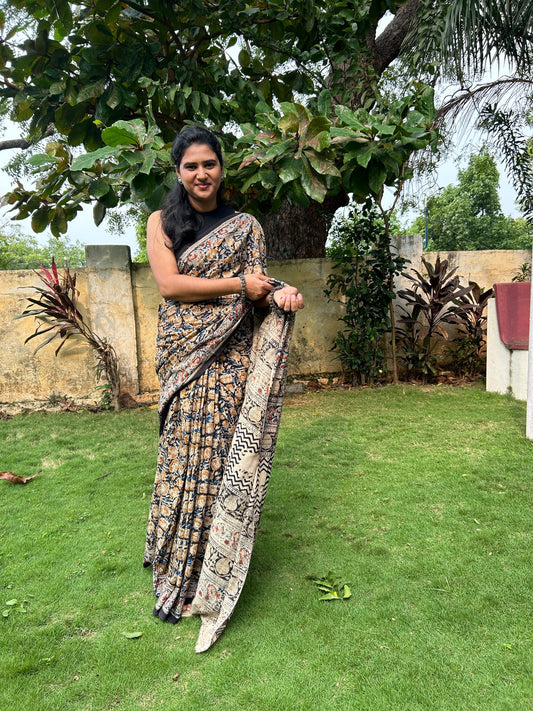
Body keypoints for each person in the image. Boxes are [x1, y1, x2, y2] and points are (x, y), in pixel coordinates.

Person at [143, 125, 304, 652]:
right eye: (190, 166)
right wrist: (238, 285)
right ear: (178, 172)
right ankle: (174, 560)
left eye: (208, 163)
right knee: (182, 458)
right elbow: (170, 286)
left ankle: (212, 575)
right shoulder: (160, 223)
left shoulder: (245, 227)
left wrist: (279, 295)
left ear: (221, 166)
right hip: (184, 359)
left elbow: (257, 292)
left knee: (216, 463)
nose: (201, 173)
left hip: (231, 360)